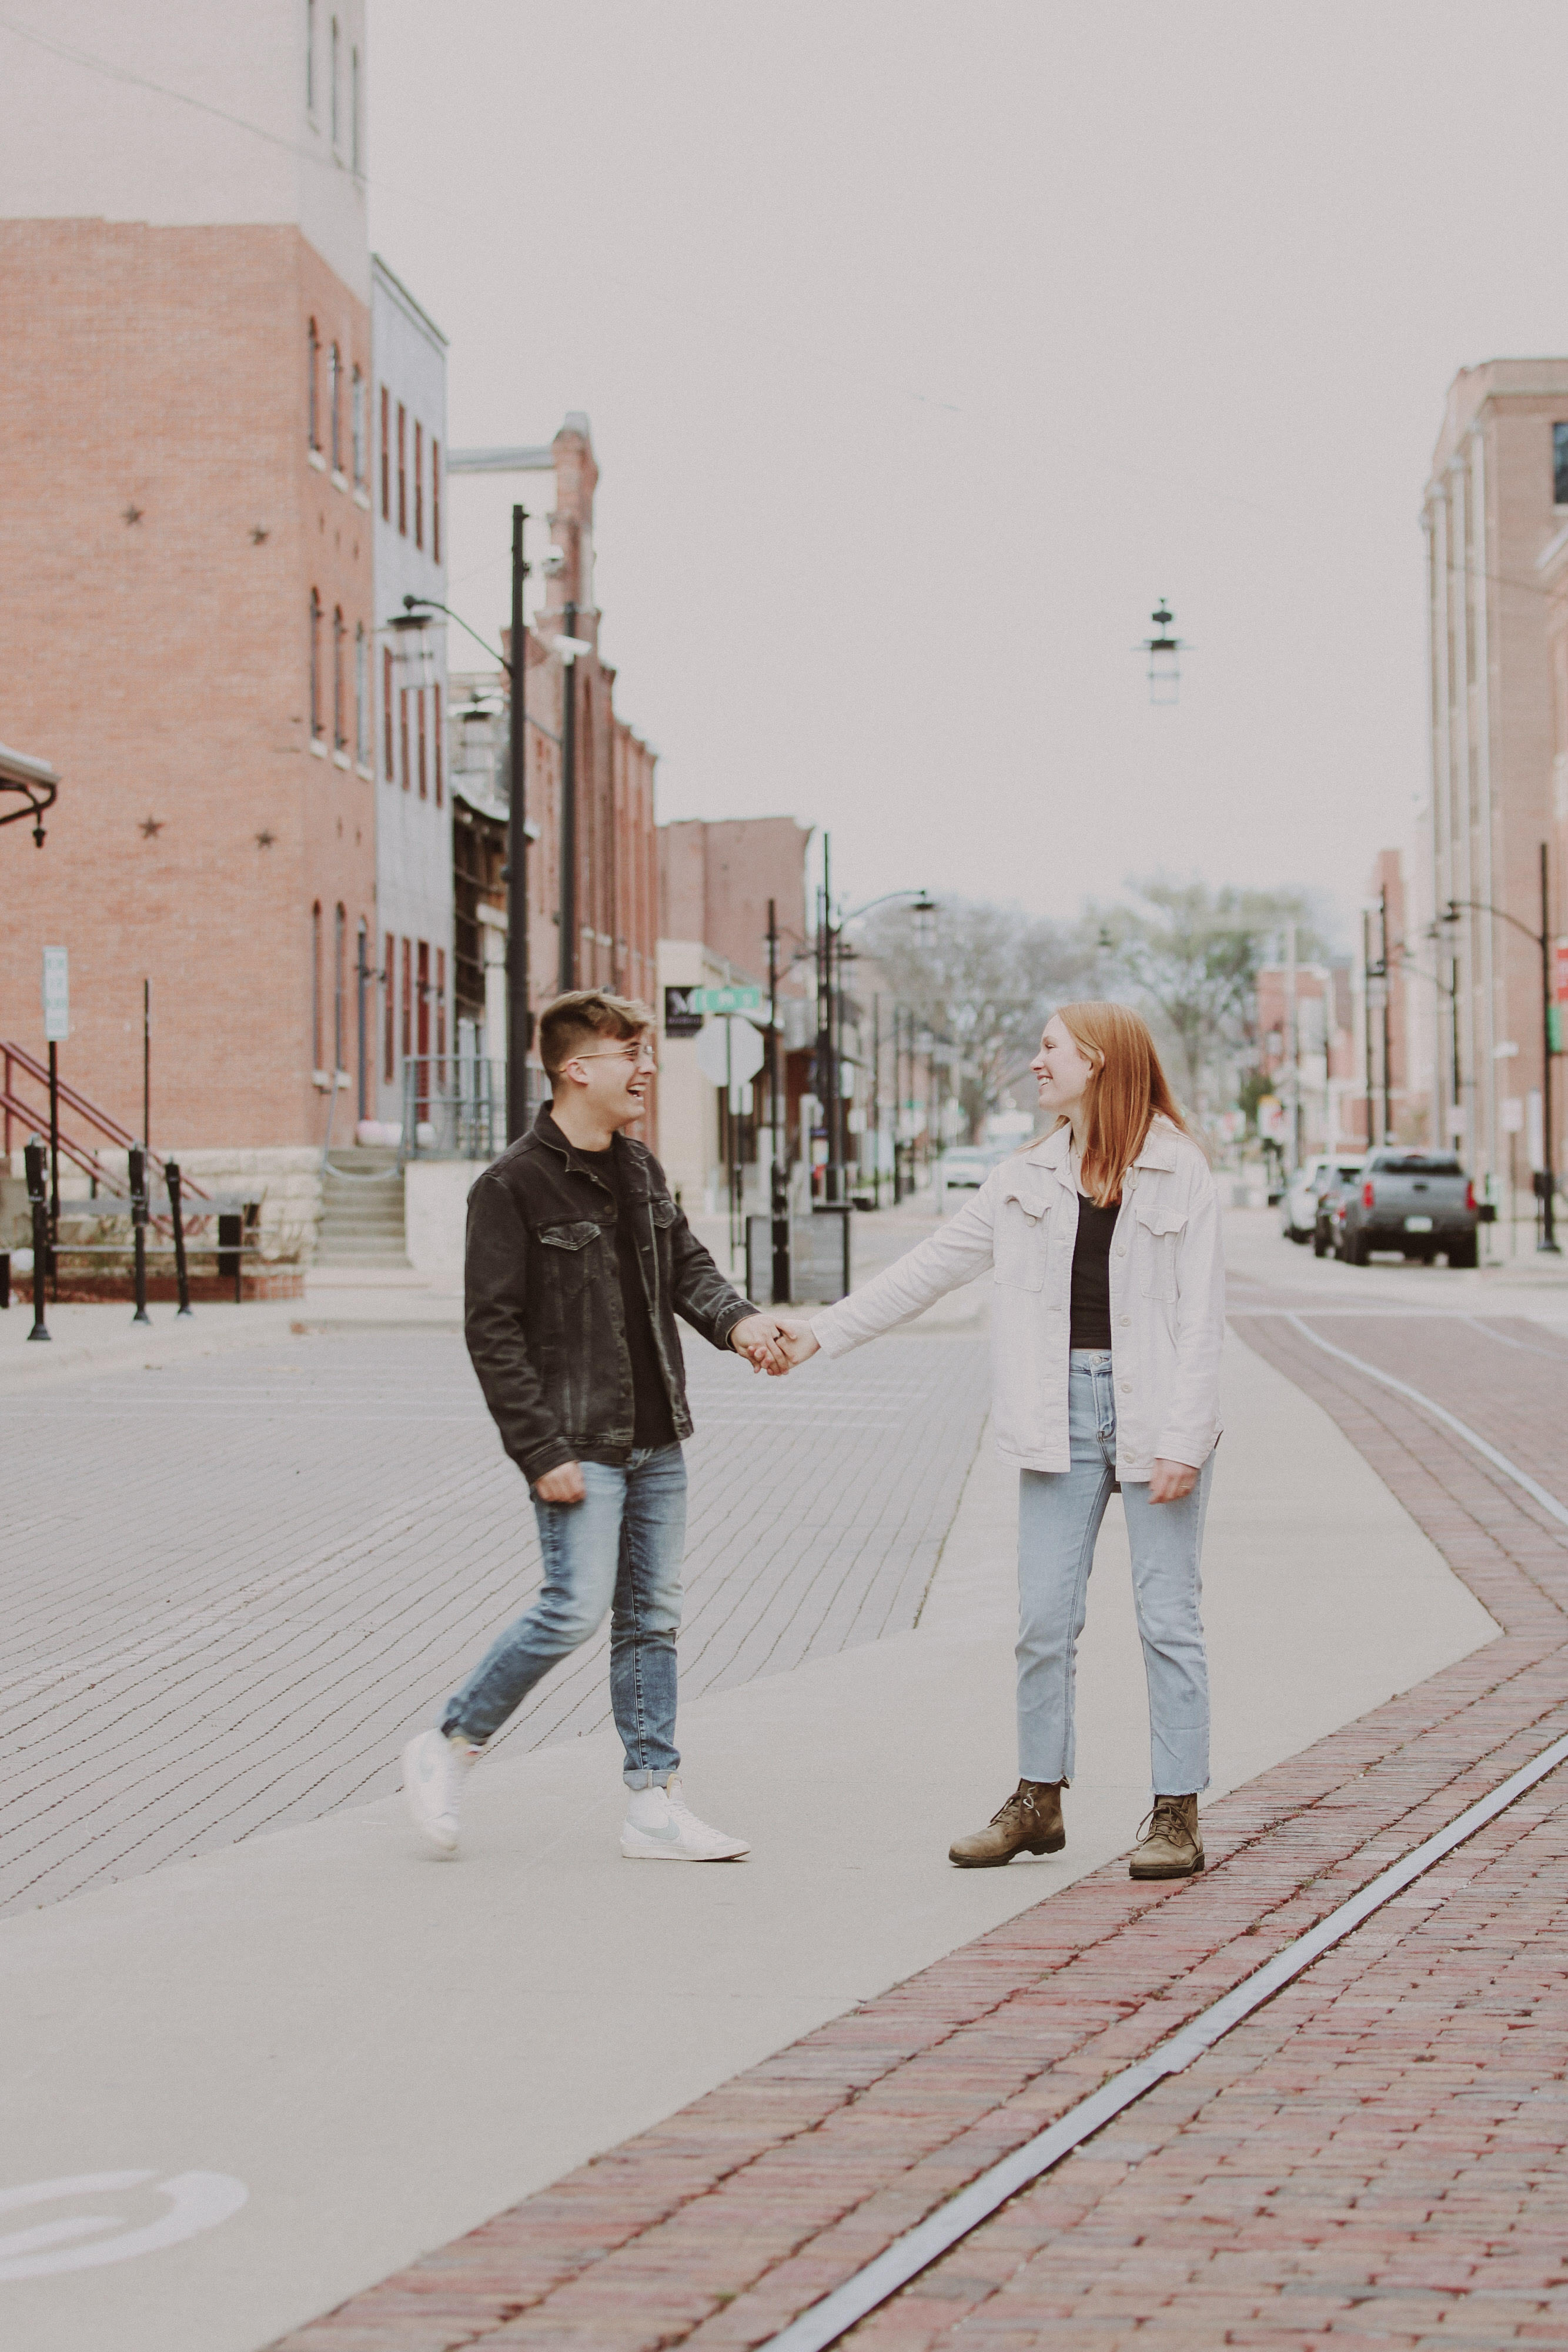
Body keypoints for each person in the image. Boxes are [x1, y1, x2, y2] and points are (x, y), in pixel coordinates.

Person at [774, 1003, 1224, 1880]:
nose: (1034, 1063)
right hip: (1055, 1413)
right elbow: (928, 1269)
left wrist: (1185, 1439)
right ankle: (1037, 1802)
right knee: (1043, 1622)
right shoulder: (1025, 1177)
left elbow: (1203, 1322)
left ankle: (1177, 1812)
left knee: (1170, 1620)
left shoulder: (1181, 1171)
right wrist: (820, 1334)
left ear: (1098, 1061)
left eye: (1049, 1049)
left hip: (1156, 1414)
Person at [402, 989, 790, 1864]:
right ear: (578, 1068)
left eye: (647, 1051)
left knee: (650, 1618)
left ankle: (653, 1802)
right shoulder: (510, 1187)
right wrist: (540, 1451)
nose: (646, 1066)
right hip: (578, 1442)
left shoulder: (641, 1168)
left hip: (657, 1440)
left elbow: (688, 1269)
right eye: (630, 1052)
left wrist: (742, 1325)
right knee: (573, 1607)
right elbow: (492, 1331)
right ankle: (450, 1741)